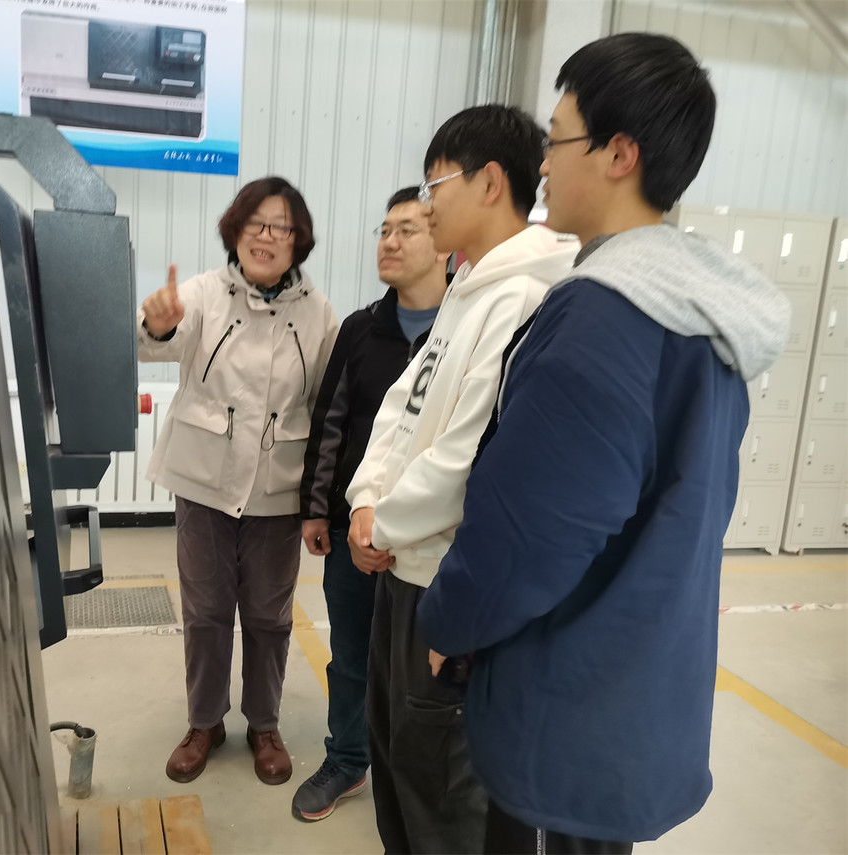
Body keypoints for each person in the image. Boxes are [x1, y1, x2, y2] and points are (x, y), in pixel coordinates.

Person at [416, 33, 791, 853]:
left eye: (557, 140)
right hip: (642, 683)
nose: (543, 164)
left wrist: (448, 619)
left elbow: (530, 537)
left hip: (565, 697)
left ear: (619, 154)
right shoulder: (703, 315)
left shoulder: (603, 317)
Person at [345, 105, 579, 854]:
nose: (424, 206)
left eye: (434, 186)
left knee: (443, 792)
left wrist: (382, 523)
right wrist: (365, 499)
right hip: (402, 567)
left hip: (444, 584)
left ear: (489, 183)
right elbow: (401, 405)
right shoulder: (470, 285)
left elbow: (467, 454)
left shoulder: (526, 296)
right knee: (398, 761)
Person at [137, 176, 339, 786]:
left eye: (281, 226)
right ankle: (204, 722)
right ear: (236, 230)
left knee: (270, 614)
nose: (266, 235)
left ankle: (264, 724)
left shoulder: (318, 313)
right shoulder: (202, 293)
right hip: (204, 483)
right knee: (204, 610)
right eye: (256, 222)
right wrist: (158, 325)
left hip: (277, 490)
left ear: (298, 240)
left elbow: (326, 405)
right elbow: (157, 345)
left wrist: (320, 499)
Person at [293, 187, 450, 822]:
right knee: (352, 656)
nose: (389, 241)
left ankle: (409, 776)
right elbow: (329, 422)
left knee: (426, 667)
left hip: (434, 542)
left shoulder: (466, 330)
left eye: (407, 229)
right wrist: (318, 510)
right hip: (351, 532)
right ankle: (347, 759)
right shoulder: (361, 330)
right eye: (384, 230)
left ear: (444, 240)